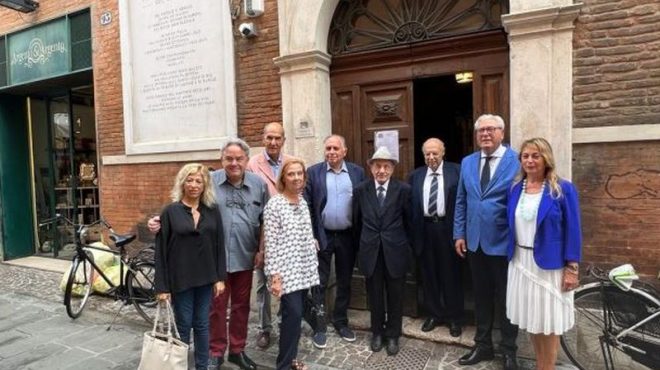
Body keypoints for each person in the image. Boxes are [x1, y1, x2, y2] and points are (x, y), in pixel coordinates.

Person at [506, 138, 582, 370]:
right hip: (521, 262)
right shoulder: (515, 189)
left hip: (549, 266)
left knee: (548, 324)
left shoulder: (562, 189)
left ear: (546, 159)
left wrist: (572, 268)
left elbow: (574, 230)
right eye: (525, 156)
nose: (530, 160)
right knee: (533, 320)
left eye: (535, 156)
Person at [454, 114, 520, 370]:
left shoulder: (516, 160)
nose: (485, 134)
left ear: (502, 133)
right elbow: (461, 200)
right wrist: (459, 234)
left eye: (491, 129)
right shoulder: (468, 162)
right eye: (481, 130)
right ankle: (483, 345)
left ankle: (509, 350)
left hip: (504, 242)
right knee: (480, 297)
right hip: (474, 242)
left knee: (506, 299)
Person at [154, 163, 226, 370]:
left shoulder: (212, 211)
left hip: (206, 278)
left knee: (203, 324)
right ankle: (181, 366)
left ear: (205, 185)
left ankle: (202, 366)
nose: (194, 185)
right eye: (190, 180)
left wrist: (220, 277)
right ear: (182, 183)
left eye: (198, 181)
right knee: (183, 325)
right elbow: (161, 251)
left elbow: (219, 245)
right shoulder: (170, 212)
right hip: (181, 279)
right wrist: (162, 287)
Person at [303, 134, 365, 348]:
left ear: (344, 151)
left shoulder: (357, 172)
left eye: (335, 148)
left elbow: (361, 205)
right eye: (328, 148)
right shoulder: (313, 172)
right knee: (319, 281)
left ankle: (340, 321)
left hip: (348, 235)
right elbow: (308, 206)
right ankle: (319, 325)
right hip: (323, 235)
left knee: (345, 280)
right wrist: (311, 234)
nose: (331, 152)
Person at [353, 146, 412, 357]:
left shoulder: (403, 190)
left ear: (392, 169)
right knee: (375, 295)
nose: (381, 171)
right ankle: (377, 332)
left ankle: (394, 335)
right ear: (371, 168)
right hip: (371, 251)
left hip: (395, 250)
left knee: (396, 295)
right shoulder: (361, 190)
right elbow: (356, 222)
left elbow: (409, 222)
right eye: (377, 166)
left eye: (386, 166)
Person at [263, 158, 319, 370]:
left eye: (299, 174)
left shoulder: (302, 202)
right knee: (293, 316)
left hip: (304, 270)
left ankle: (291, 360)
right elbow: (271, 243)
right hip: (286, 274)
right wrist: (275, 277)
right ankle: (284, 364)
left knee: (295, 319)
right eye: (291, 174)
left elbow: (304, 233)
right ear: (283, 178)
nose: (296, 178)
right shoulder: (275, 205)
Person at [408, 138, 463, 337]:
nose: (431, 157)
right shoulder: (415, 176)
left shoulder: (456, 172)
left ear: (443, 152)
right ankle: (434, 314)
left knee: (451, 275)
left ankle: (454, 317)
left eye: (435, 153)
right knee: (428, 274)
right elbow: (410, 207)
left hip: (447, 229)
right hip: (424, 229)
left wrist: (461, 232)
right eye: (427, 154)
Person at [247, 122, 292, 348]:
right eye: (269, 138)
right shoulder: (252, 164)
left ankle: (286, 322)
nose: (273, 142)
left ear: (283, 140)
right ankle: (264, 328)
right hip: (262, 234)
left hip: (288, 235)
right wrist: (258, 245)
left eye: (278, 138)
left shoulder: (291, 162)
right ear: (263, 138)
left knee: (288, 282)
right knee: (263, 284)